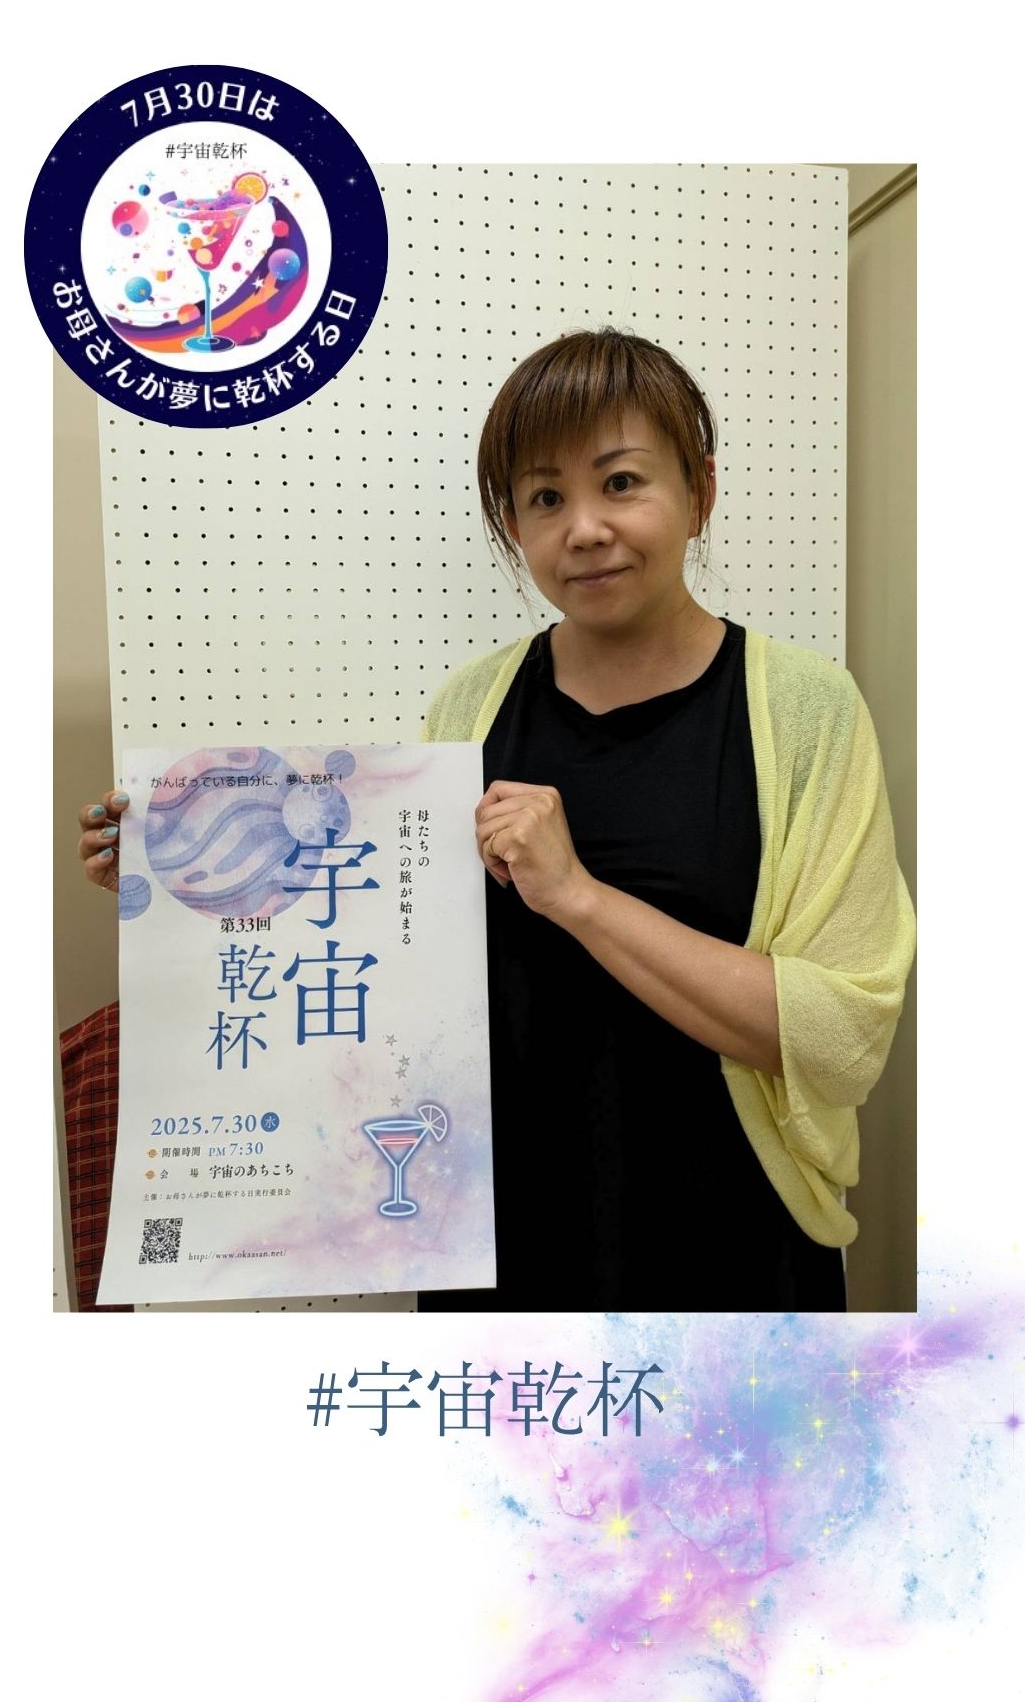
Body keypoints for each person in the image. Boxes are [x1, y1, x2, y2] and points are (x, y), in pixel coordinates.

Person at [77, 328, 915, 1311]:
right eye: (545, 498)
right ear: (513, 523)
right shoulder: (471, 706)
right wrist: (181, 884)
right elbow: (383, 955)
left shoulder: (805, 709)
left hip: (726, 1237)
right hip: (496, 1235)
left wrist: (577, 897)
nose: (585, 529)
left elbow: (841, 1034)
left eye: (622, 482)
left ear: (701, 491)